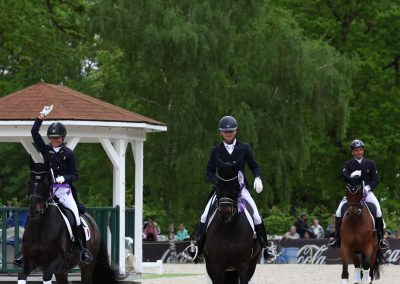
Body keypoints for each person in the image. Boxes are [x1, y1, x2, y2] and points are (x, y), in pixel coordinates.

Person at [14, 105, 93, 266]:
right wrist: (41, 116)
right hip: (48, 191)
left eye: (57, 138)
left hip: (64, 192)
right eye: (51, 138)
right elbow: (34, 133)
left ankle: (83, 249)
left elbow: (75, 175)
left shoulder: (69, 154)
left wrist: (64, 178)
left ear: (62, 138)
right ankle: (23, 252)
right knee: (32, 214)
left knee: (76, 217)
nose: (54, 140)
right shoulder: (46, 150)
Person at [189, 115, 275, 262]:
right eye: (225, 132)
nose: (228, 134)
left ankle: (266, 248)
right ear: (221, 133)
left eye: (231, 131)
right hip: (221, 191)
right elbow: (209, 171)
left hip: (240, 190)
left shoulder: (244, 148)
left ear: (235, 132)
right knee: (204, 216)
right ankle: (198, 249)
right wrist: (217, 183)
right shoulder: (216, 150)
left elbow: (254, 166)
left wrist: (258, 178)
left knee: (256, 216)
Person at [328, 139, 389, 250]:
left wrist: (368, 187)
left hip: (367, 192)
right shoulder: (348, 164)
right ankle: (337, 238)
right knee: (338, 211)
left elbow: (376, 180)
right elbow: (344, 176)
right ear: (352, 152)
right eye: (356, 150)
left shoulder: (370, 163)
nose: (359, 152)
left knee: (378, 211)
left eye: (360, 150)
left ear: (363, 151)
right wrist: (351, 177)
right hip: (353, 193)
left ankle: (381, 239)